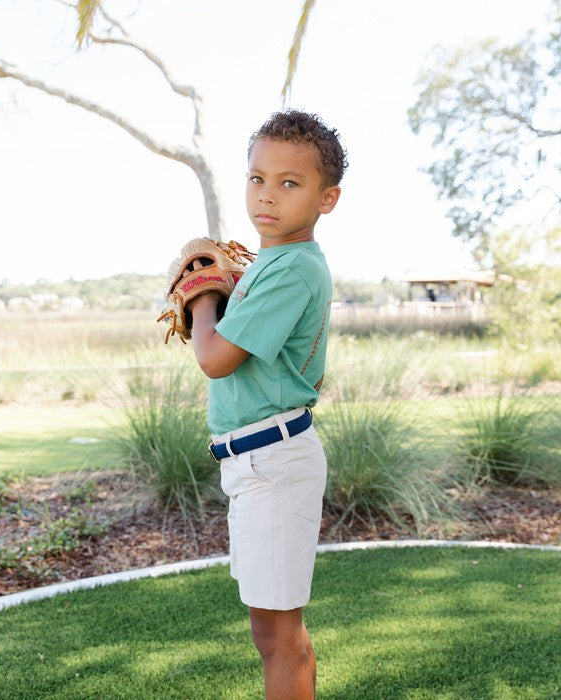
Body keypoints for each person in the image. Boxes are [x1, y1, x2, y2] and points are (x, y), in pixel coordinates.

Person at [185, 110, 347, 699]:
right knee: (271, 629)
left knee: (282, 637)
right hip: (259, 461)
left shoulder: (293, 267)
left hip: (272, 461)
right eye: (257, 178)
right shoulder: (274, 263)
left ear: (326, 199)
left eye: (290, 182)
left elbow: (215, 358)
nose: (267, 196)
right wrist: (223, 289)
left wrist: (202, 297)